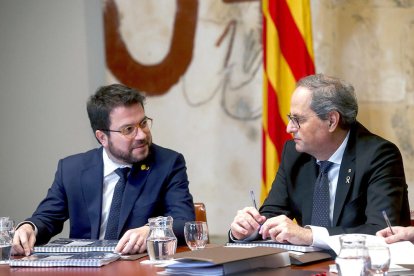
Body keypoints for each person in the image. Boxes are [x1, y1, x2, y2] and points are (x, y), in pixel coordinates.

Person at [230, 73, 411, 248]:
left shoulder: (378, 155)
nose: (289, 128)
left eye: (297, 119)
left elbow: (382, 232)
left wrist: (310, 235)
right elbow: (270, 216)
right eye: (290, 118)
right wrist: (248, 230)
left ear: (331, 120)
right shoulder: (294, 153)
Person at [12, 84, 195, 256]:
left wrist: (151, 231)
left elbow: (184, 221)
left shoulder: (168, 163)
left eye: (143, 123)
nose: (141, 135)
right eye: (128, 129)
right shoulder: (72, 169)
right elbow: (47, 217)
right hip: (85, 268)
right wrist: (28, 227)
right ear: (102, 137)